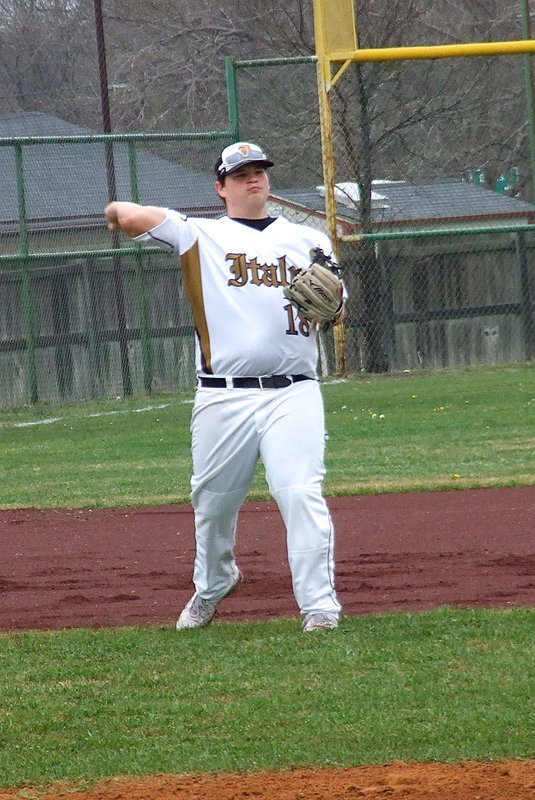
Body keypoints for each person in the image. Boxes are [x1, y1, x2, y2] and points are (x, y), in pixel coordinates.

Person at [104, 141, 342, 632]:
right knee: (212, 503)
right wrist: (115, 211)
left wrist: (336, 308)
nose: (253, 180)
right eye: (240, 175)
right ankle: (213, 584)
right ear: (221, 188)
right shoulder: (199, 236)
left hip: (293, 391)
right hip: (222, 395)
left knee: (300, 493)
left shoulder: (308, 240)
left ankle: (320, 608)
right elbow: (130, 215)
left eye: (259, 172)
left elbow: (339, 309)